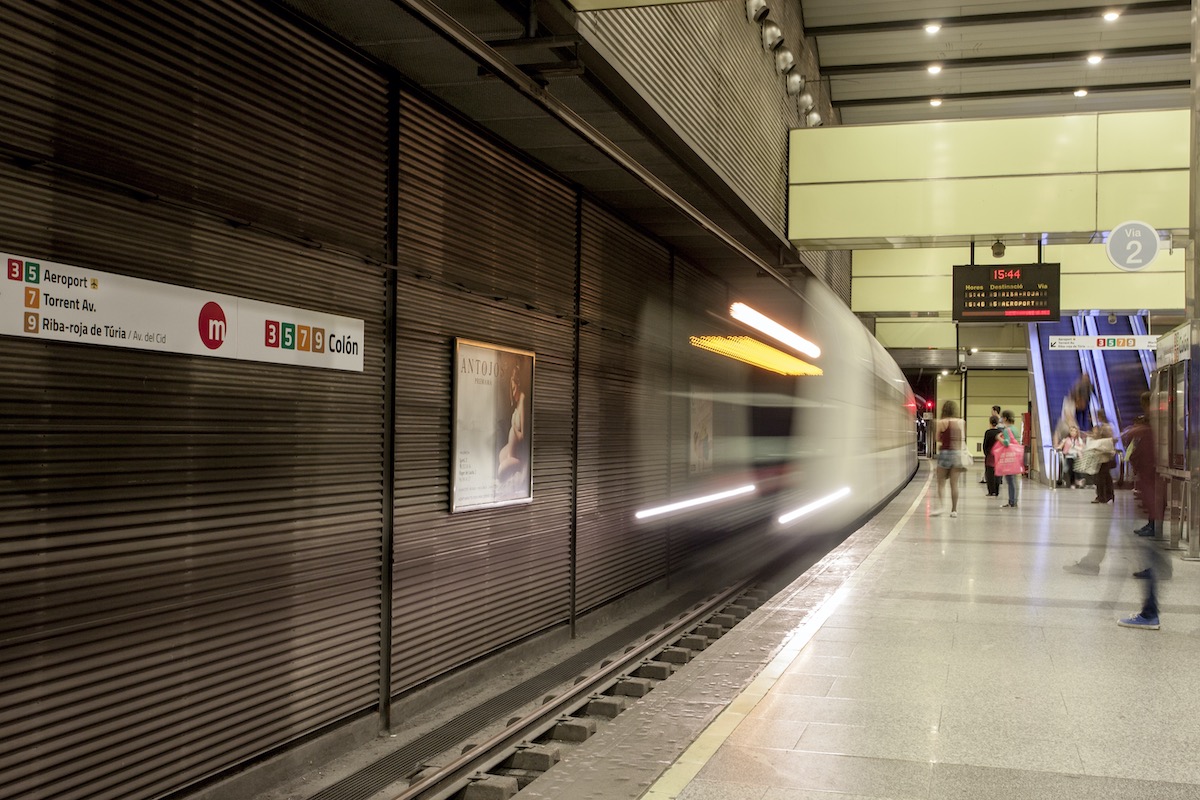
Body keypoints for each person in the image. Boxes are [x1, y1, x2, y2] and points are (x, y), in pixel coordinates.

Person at [1119, 391, 1169, 629]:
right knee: (1151, 552)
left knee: (1151, 551)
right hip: (1155, 499)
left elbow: (1133, 454)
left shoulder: (1145, 433)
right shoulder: (1162, 431)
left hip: (1151, 498)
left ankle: (1150, 614)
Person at [931, 400, 966, 517]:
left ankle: (941, 507)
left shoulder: (941, 422)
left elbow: (937, 438)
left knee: (941, 483)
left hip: (945, 454)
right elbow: (961, 439)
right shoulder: (961, 422)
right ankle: (954, 510)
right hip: (957, 454)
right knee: (954, 484)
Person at [497, 361, 530, 486]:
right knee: (501, 457)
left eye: (514, 388)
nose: (513, 392)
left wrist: (514, 430)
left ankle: (521, 465)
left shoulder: (522, 399)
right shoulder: (517, 403)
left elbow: (522, 435)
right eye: (511, 389)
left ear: (519, 384)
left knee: (501, 472)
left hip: (515, 454)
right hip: (510, 451)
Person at [1088, 409, 1116, 504]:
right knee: (1106, 476)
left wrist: (1095, 435)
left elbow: (1107, 440)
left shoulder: (1104, 427)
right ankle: (1108, 496)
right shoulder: (1108, 426)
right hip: (1105, 455)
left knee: (1101, 477)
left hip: (1103, 456)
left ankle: (1102, 496)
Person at [998, 409, 1020, 508]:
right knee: (1014, 480)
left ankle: (1012, 502)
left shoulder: (1007, 430)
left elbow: (1007, 442)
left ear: (1005, 418)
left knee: (1010, 480)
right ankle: (1014, 500)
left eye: (1002, 417)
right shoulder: (1015, 429)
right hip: (1017, 456)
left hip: (1009, 457)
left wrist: (999, 438)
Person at [1058, 424, 1084, 488]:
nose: (1073, 432)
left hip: (1077, 455)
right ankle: (1073, 482)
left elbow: (1082, 447)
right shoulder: (1066, 439)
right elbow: (1060, 446)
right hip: (1069, 456)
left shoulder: (1079, 440)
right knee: (1071, 468)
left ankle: (1078, 481)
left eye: (1074, 431)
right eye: (1071, 431)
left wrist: (1075, 447)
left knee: (1076, 469)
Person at [980, 405, 1001, 483]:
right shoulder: (998, 420)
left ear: (995, 411)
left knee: (991, 465)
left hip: (993, 447)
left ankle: (991, 479)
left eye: (992, 411)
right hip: (996, 448)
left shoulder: (999, 421)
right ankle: (989, 478)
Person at [981, 414, 1001, 497]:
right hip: (998, 455)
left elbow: (985, 444)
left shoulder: (988, 432)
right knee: (998, 473)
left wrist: (986, 453)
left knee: (989, 474)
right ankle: (996, 491)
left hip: (990, 455)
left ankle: (991, 491)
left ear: (990, 422)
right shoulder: (1000, 432)